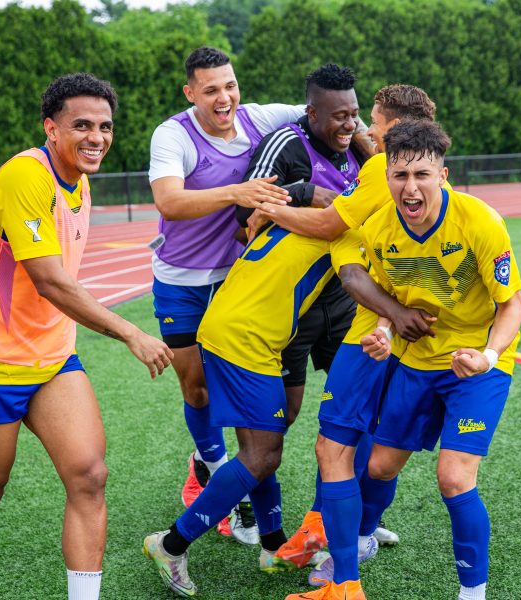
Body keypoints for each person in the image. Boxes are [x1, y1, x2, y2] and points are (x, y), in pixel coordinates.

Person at [0, 73, 173, 600]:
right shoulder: (24, 177)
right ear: (51, 128)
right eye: (82, 126)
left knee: (90, 476)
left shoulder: (81, 179)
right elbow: (49, 280)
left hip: (52, 358)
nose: (97, 137)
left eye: (105, 126)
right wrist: (129, 333)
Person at [288, 120, 521, 600]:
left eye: (422, 174)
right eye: (400, 176)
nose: (410, 187)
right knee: (378, 466)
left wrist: (488, 355)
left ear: (443, 174)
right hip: (417, 362)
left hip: (476, 367)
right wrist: (380, 332)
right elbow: (389, 303)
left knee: (454, 479)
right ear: (387, 176)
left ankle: (472, 592)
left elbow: (512, 305)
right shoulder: (378, 230)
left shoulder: (480, 222)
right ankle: (360, 539)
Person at [266, 85, 440, 575]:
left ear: (395, 131)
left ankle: (342, 542)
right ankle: (361, 524)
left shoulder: (380, 171)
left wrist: (267, 207)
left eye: (375, 123)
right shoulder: (425, 175)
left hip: (370, 327)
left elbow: (328, 229)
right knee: (376, 439)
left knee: (337, 440)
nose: (366, 130)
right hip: (408, 329)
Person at [142, 220, 366, 597]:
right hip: (246, 337)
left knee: (263, 449)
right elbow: (357, 282)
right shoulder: (342, 227)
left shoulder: (307, 208)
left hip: (243, 327)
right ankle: (169, 545)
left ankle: (273, 545)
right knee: (261, 455)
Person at [148, 46, 305, 542]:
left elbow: (332, 113)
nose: (224, 97)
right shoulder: (173, 134)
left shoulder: (262, 119)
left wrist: (372, 146)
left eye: (230, 85)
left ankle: (231, 491)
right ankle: (215, 471)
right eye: (211, 89)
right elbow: (169, 202)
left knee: (238, 398)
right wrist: (238, 193)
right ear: (190, 92)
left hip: (238, 283)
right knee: (196, 388)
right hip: (180, 280)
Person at [236, 63, 368, 430]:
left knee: (359, 403)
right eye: (339, 116)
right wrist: (305, 192)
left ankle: (347, 485)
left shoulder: (359, 147)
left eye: (354, 115)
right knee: (284, 414)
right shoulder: (286, 143)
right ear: (312, 113)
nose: (349, 125)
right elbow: (243, 210)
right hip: (295, 304)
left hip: (344, 298)